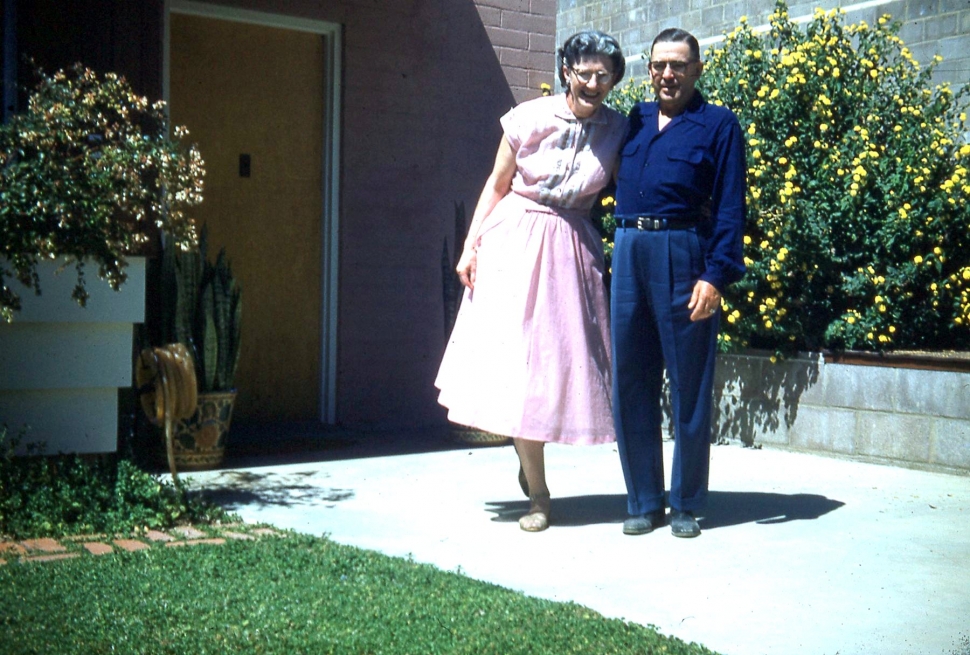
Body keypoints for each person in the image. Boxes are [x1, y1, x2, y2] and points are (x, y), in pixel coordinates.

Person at [435, 30, 628, 532]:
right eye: (583, 72)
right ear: (566, 71)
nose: (592, 82)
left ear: (613, 80)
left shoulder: (619, 129)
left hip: (572, 246)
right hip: (516, 239)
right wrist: (470, 245)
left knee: (554, 367)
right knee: (519, 367)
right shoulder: (528, 118)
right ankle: (539, 496)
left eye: (603, 75)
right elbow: (497, 185)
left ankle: (529, 461)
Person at [611, 28, 746, 538]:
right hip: (627, 252)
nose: (668, 74)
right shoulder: (634, 121)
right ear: (648, 70)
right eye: (659, 65)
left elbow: (731, 207)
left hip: (683, 253)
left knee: (689, 385)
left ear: (697, 70)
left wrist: (715, 275)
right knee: (630, 381)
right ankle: (643, 500)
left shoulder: (718, 125)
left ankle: (686, 503)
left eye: (679, 65)